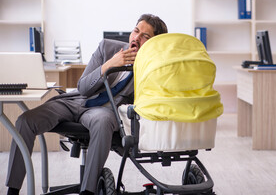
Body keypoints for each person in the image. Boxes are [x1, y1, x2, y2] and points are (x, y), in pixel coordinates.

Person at [6, 14, 168, 195]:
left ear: (155, 43)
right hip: (76, 102)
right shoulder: (107, 47)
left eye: (145, 36)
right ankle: (12, 189)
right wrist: (109, 65)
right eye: (136, 31)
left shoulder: (154, 68)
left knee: (103, 121)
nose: (137, 37)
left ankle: (88, 191)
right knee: (25, 120)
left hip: (103, 112)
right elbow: (83, 88)